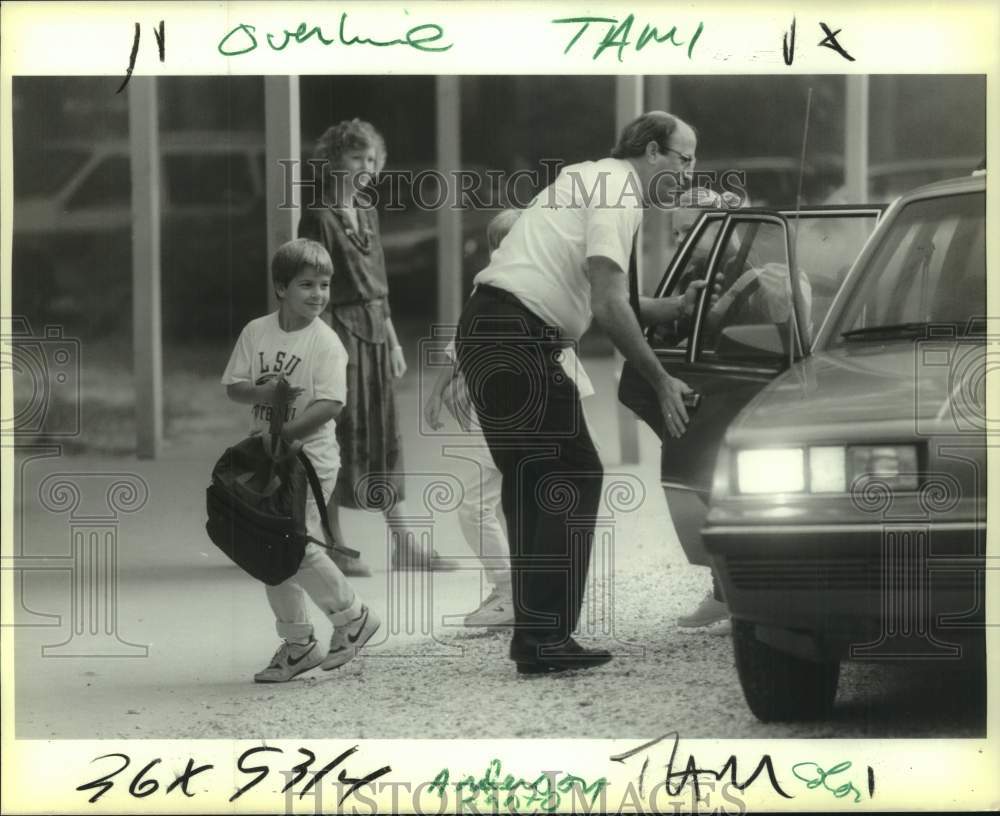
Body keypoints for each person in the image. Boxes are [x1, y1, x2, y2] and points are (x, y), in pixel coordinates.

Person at [455, 111, 706, 675]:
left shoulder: (590, 178)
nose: (691, 173)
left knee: (532, 484)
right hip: (520, 337)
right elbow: (608, 305)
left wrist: (670, 309)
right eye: (685, 159)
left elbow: (596, 291)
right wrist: (662, 378)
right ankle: (545, 639)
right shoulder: (619, 192)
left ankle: (536, 637)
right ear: (651, 152)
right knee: (575, 474)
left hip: (488, 329)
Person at [423, 208, 599, 628]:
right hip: (514, 402)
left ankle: (511, 594)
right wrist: (441, 388)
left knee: (482, 505)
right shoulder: (507, 286)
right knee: (518, 499)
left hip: (518, 404)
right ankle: (528, 596)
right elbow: (465, 341)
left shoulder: (527, 287)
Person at [299, 119, 458, 575]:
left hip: (373, 332)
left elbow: (379, 286)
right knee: (338, 436)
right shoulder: (319, 215)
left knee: (384, 435)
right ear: (334, 161)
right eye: (356, 158)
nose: (366, 167)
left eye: (372, 159)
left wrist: (391, 340)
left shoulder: (367, 212)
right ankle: (332, 543)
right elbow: (309, 285)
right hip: (338, 333)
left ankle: (404, 543)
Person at [221, 238, 381, 683]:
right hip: (267, 456)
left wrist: (284, 436)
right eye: (307, 284)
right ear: (280, 288)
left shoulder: (326, 343)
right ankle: (298, 644)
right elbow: (234, 387)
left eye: (325, 285)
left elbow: (330, 405)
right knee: (267, 546)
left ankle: (352, 617)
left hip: (309, 458)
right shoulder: (257, 332)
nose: (318, 294)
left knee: (296, 543)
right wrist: (264, 395)